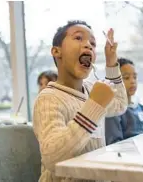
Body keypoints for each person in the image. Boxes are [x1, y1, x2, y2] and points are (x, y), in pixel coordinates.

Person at [33, 20, 128, 182]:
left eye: (93, 43)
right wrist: (94, 107)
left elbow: (119, 103)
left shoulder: (92, 89)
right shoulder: (48, 98)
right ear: (56, 51)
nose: (88, 45)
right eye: (78, 38)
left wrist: (111, 61)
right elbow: (53, 157)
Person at [105, 58, 143, 145]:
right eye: (126, 78)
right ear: (116, 82)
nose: (132, 81)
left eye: (135, 77)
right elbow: (114, 145)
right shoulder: (113, 113)